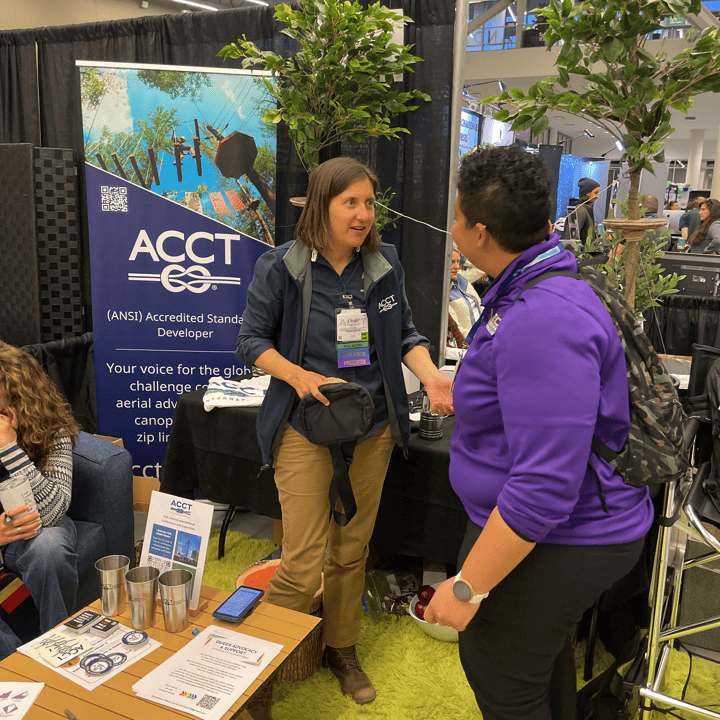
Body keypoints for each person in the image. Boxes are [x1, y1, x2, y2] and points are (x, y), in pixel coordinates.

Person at [424, 145, 652, 720]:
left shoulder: (544, 315)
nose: (451, 228)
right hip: (548, 525)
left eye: (456, 218)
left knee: (502, 671)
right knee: (532, 662)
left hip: (568, 532)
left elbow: (545, 485)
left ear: (480, 233)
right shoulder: (535, 281)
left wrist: (467, 588)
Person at [236, 157, 452, 719]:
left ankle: (341, 649)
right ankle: (258, 669)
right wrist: (298, 376)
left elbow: (405, 334)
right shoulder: (281, 267)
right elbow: (250, 342)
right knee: (303, 560)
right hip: (306, 428)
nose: (362, 214)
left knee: (350, 552)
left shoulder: (384, 266)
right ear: (321, 205)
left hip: (373, 427)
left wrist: (430, 376)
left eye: (369, 203)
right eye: (349, 202)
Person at [0, 342, 80, 659]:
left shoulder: (52, 430)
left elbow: (52, 511)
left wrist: (10, 451)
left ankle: (56, 645)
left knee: (51, 547)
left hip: (32, 531)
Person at [449, 248, 483, 338]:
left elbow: (480, 306)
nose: (457, 266)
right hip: (471, 342)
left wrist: (462, 258)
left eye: (458, 262)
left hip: (484, 333)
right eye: (452, 262)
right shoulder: (442, 291)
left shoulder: (461, 278)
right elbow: (457, 330)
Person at [564, 177, 600, 244]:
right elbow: (570, 240)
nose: (597, 196)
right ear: (587, 193)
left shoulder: (587, 209)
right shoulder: (579, 211)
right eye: (595, 193)